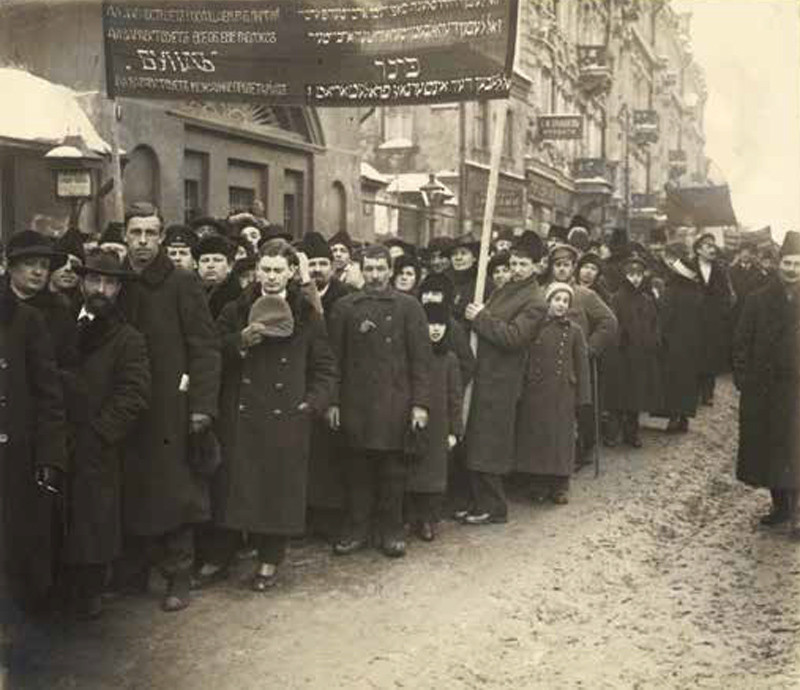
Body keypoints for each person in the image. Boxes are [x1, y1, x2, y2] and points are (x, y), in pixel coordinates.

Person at [206, 240, 337, 590]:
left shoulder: (307, 314)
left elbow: (325, 367)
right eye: (266, 269)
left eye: (279, 270)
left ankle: (269, 559)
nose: (272, 277)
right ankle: (222, 556)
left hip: (286, 416)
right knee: (234, 486)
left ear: (292, 272)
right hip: (242, 414)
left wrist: (312, 403)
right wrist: (239, 342)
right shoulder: (236, 309)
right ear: (257, 271)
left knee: (276, 490)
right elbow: (211, 351)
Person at [117, 202, 221, 612]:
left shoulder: (182, 282)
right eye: (136, 233)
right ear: (125, 236)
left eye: (150, 233)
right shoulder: (116, 281)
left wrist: (202, 407)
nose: (143, 241)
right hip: (126, 405)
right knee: (131, 486)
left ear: (161, 238)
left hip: (170, 406)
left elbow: (205, 347)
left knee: (176, 491)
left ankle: (179, 574)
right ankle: (134, 570)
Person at [328, 244, 431, 558]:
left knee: (393, 473)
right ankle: (357, 529)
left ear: (390, 270)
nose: (375, 275)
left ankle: (391, 530)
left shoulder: (409, 307)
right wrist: (333, 402)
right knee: (356, 470)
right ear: (361, 270)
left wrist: (420, 404)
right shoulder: (346, 307)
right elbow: (333, 361)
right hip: (356, 403)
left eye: (380, 269)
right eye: (369, 269)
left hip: (395, 404)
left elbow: (421, 361)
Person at [64, 249, 150, 619]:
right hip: (54, 438)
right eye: (95, 280)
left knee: (93, 520)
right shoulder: (58, 324)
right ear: (82, 283)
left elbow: (134, 395)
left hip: (97, 445)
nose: (101, 289)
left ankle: (90, 591)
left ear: (119, 289)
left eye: (110, 283)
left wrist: (99, 434)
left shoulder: (127, 338)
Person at [461, 231, 547, 525]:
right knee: (475, 438)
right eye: (513, 264)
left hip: (502, 380)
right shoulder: (505, 289)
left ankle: (494, 506)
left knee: (490, 443)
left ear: (536, 266)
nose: (516, 269)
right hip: (484, 373)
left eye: (523, 264)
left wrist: (480, 318)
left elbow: (514, 337)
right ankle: (476, 501)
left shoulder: (535, 301)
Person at [0, 266, 67, 614]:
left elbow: (48, 393)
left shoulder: (25, 319)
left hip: (15, 446)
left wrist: (49, 454)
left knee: (17, 536)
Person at [734, 231, 800, 534]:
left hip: (797, 390)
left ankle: (798, 514)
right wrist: (744, 380)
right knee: (771, 449)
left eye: (798, 264)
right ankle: (781, 506)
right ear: (778, 263)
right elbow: (741, 343)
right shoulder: (757, 299)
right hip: (766, 390)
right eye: (788, 263)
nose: (792, 269)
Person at [515, 282, 590, 504]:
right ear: (548, 301)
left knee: (561, 439)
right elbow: (524, 359)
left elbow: (582, 366)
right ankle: (538, 484)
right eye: (557, 300)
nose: (561, 305)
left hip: (563, 393)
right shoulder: (536, 327)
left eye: (565, 301)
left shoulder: (574, 331)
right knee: (538, 438)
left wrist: (583, 397)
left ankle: (560, 485)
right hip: (536, 391)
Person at [301, 231, 353, 540]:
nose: (318, 269)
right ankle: (306, 516)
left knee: (333, 455)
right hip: (305, 384)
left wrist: (335, 398)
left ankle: (332, 519)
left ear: (332, 267)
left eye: (323, 263)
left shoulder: (345, 298)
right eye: (312, 264)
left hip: (335, 385)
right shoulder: (297, 296)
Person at [404, 302, 463, 541]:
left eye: (440, 324)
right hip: (415, 422)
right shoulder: (411, 355)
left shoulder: (449, 359)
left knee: (434, 476)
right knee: (411, 472)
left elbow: (455, 397)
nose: (436, 329)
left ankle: (429, 520)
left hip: (439, 426)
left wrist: (454, 431)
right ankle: (410, 517)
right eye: (431, 324)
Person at [602, 252, 662, 448]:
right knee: (618, 396)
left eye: (639, 274)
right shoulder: (617, 298)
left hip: (641, 355)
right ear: (625, 275)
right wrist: (620, 342)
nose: (635, 278)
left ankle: (632, 433)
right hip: (622, 354)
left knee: (636, 397)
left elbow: (654, 324)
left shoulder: (647, 299)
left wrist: (652, 341)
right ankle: (612, 433)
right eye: (631, 274)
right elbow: (613, 324)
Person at [658, 243, 704, 433]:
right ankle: (684, 418)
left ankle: (673, 417)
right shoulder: (697, 290)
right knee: (688, 380)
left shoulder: (671, 289)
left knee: (673, 380)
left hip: (673, 341)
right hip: (692, 341)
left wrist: (661, 335)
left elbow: (664, 316)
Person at [690, 233, 733, 406]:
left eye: (714, 246)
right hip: (693, 319)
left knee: (710, 356)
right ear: (698, 249)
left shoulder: (720, 270)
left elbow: (728, 295)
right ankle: (693, 392)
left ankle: (708, 393)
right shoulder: (689, 267)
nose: (712, 249)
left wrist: (721, 313)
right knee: (693, 354)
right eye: (708, 246)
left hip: (713, 321)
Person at [193, 234, 241, 319]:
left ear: (230, 266)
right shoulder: (188, 292)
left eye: (217, 260)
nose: (210, 265)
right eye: (205, 260)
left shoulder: (239, 296)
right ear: (196, 265)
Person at [730, 242, 767, 329]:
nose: (745, 254)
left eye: (749, 252)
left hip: (753, 311)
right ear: (739, 254)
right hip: (736, 310)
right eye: (743, 251)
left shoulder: (759, 272)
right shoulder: (731, 271)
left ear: (753, 255)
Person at [51, 228, 86, 317]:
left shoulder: (85, 310)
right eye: (61, 262)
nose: (68, 269)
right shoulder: (32, 305)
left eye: (75, 264)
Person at [450, 234, 480, 328]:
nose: (458, 258)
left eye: (463, 253)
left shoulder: (483, 283)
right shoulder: (445, 282)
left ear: (474, 258)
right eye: (454, 254)